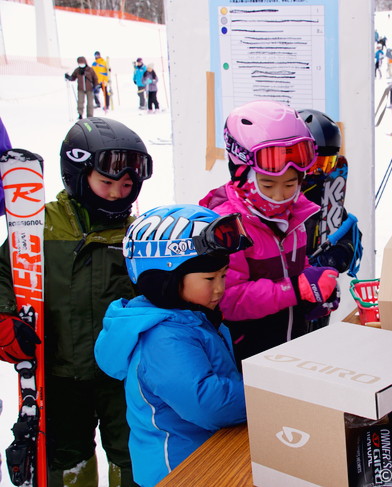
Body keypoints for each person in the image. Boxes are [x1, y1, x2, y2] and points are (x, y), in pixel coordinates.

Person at [0, 117, 154, 486]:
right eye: (107, 183)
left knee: (130, 452)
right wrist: (4, 319)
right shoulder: (40, 227)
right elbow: (6, 275)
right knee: (66, 457)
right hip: (59, 372)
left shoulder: (138, 235)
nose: (118, 193)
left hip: (121, 376)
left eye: (127, 184)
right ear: (77, 175)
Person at [95, 204, 249, 487]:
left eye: (223, 276)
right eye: (209, 279)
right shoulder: (163, 336)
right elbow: (207, 404)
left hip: (206, 455)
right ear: (165, 279)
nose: (220, 288)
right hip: (177, 471)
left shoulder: (191, 318)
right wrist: (264, 393)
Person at [199, 100, 340, 364]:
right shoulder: (227, 224)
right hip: (248, 355)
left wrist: (315, 288)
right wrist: (295, 290)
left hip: (290, 347)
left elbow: (296, 266)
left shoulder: (294, 214)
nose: (280, 196)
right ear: (241, 173)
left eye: (290, 184)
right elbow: (227, 299)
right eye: (267, 184)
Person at [299, 109, 362, 331]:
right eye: (315, 164)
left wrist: (339, 256)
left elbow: (347, 234)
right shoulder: (280, 201)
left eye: (327, 163)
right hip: (291, 298)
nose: (319, 172)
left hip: (320, 297)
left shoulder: (327, 197)